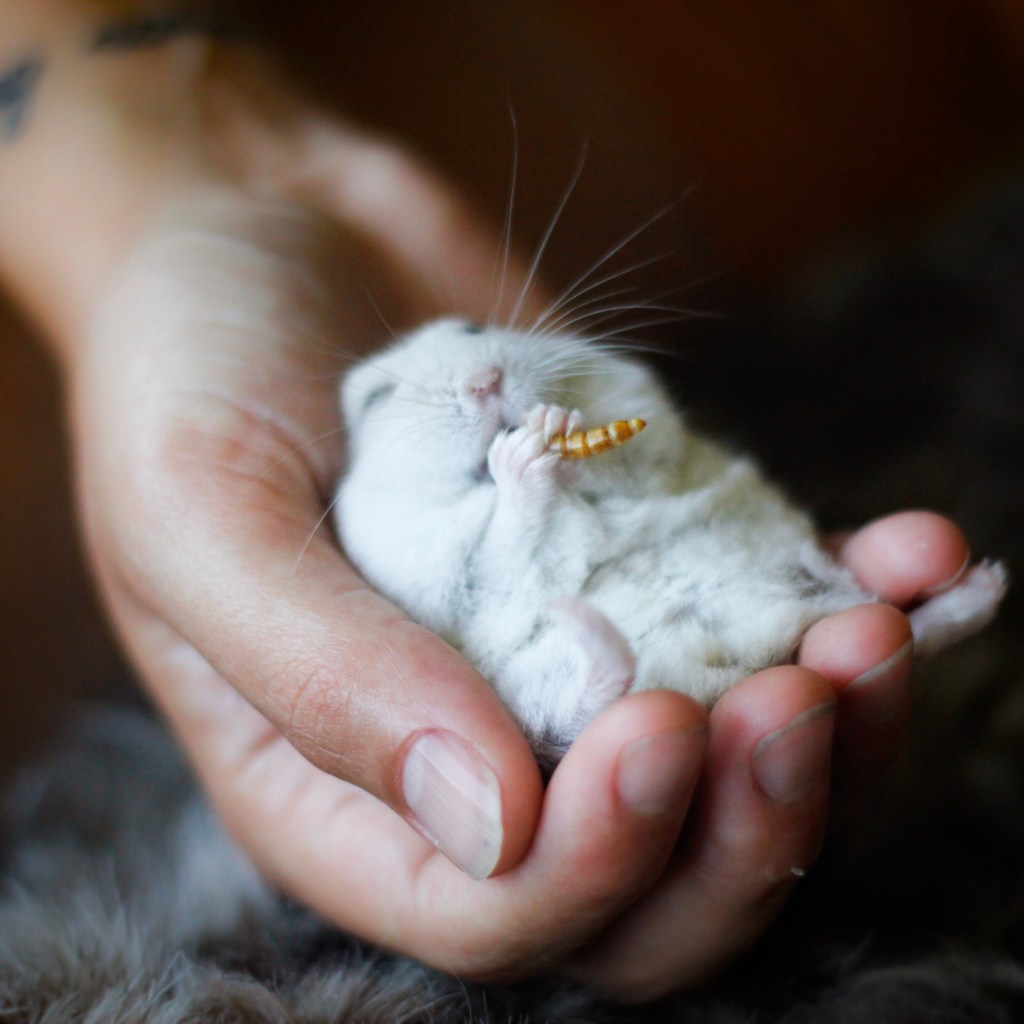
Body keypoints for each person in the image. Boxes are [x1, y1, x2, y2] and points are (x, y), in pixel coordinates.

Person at [0, 1, 975, 1001]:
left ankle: (868, 606)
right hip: (566, 640)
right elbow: (456, 593)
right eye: (391, 388)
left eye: (473, 331)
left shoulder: (558, 391)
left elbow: (664, 458)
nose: (471, 373)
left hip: (663, 532)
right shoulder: (380, 518)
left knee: (769, 605)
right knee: (605, 706)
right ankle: (650, 681)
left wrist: (210, 163)